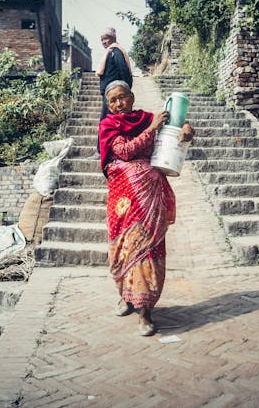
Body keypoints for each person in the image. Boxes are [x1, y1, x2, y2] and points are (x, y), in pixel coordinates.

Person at [98, 80, 195, 336]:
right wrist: (152, 129)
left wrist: (186, 129)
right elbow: (125, 151)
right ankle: (127, 298)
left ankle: (145, 312)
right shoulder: (109, 125)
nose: (119, 104)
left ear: (132, 97)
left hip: (150, 200)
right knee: (124, 251)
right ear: (108, 105)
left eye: (123, 97)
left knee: (148, 251)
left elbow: (177, 127)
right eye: (113, 101)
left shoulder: (146, 118)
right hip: (123, 204)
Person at [89, 27, 133, 159]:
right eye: (101, 40)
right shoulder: (110, 52)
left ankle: (101, 152)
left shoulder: (116, 52)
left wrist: (124, 91)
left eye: (105, 39)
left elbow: (124, 72)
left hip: (113, 96)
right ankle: (109, 151)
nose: (103, 42)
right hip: (110, 95)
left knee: (105, 123)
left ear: (113, 39)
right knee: (109, 123)